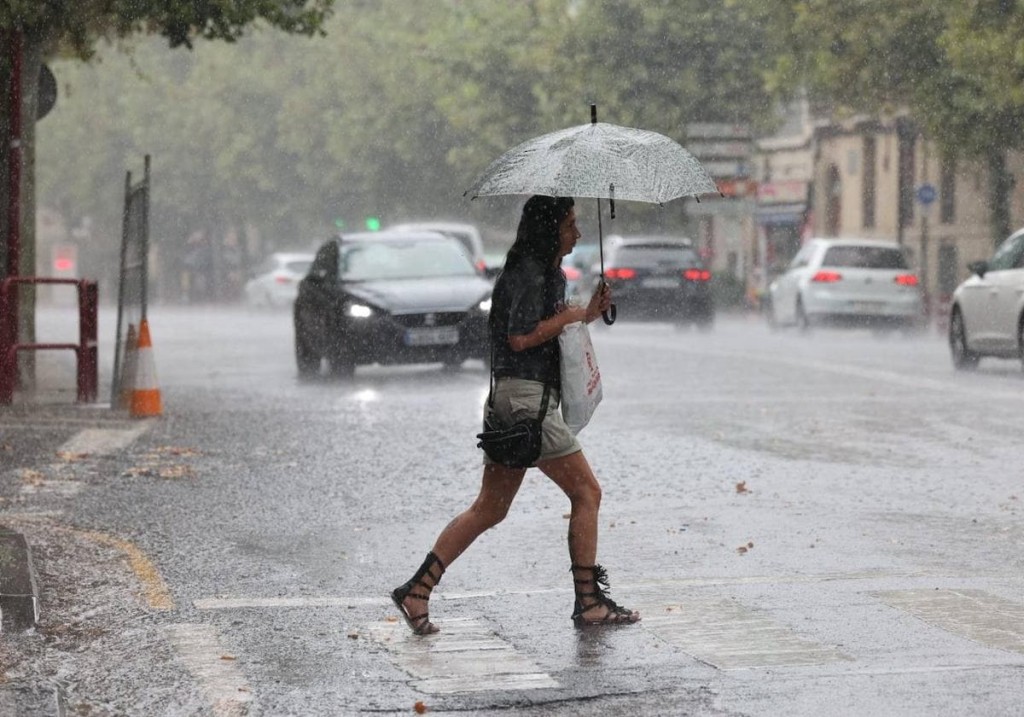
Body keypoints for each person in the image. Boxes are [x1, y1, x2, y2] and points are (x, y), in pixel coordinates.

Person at [390, 195, 640, 634]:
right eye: (570, 224)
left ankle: (417, 590)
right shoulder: (527, 272)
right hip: (528, 402)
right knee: (587, 493)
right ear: (550, 229)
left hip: (509, 397)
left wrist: (588, 314)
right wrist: (574, 315)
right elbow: (521, 338)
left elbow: (551, 327)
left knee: (490, 507)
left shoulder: (539, 272)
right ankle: (588, 602)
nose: (577, 233)